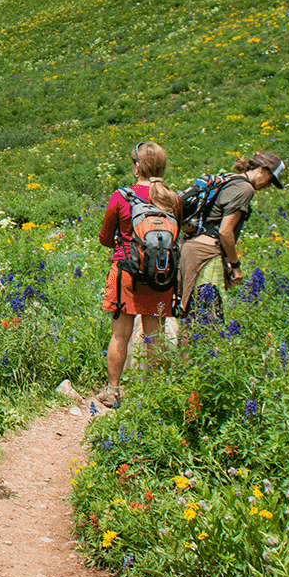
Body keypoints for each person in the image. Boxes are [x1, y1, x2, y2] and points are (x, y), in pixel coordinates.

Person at [95, 141, 184, 409]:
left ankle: (113, 391)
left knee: (120, 335)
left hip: (126, 274)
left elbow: (104, 238)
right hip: (160, 276)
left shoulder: (121, 196)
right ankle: (153, 394)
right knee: (154, 336)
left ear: (137, 168)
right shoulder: (173, 199)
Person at [176, 150, 288, 322]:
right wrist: (235, 265)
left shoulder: (229, 178)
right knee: (207, 319)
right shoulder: (245, 189)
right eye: (271, 179)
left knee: (189, 315)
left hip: (189, 248)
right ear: (262, 170)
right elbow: (225, 231)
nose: (269, 185)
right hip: (206, 254)